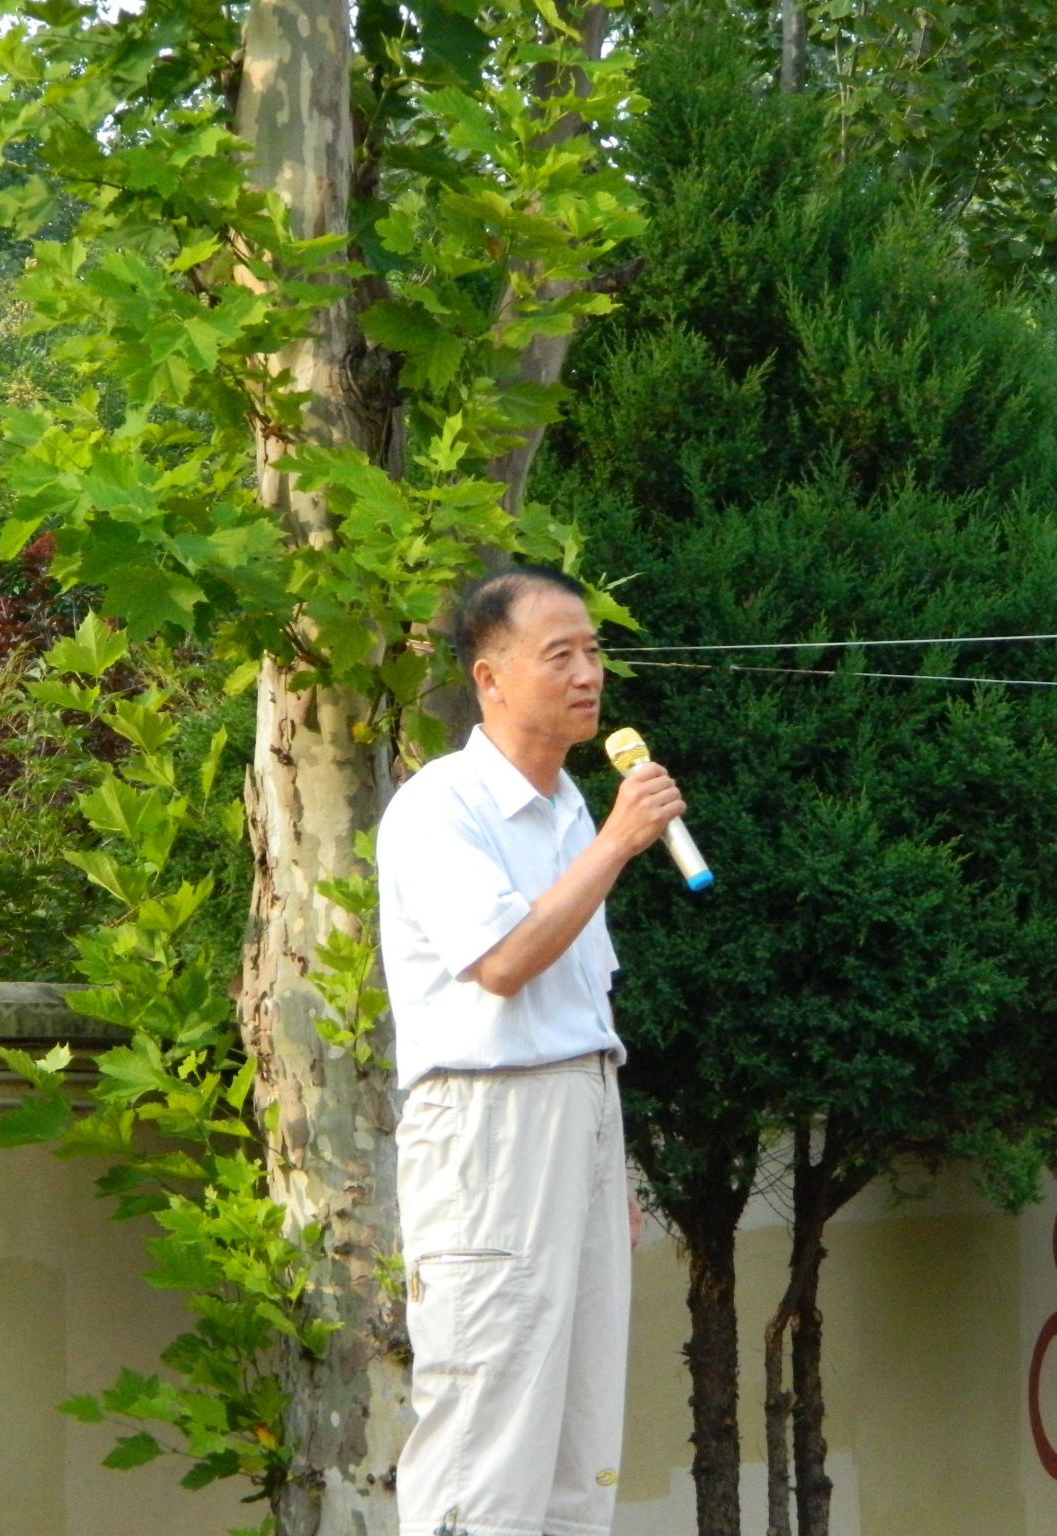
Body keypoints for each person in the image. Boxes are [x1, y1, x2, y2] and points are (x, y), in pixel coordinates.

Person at [377, 565, 686, 1536]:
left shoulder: (569, 809)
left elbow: (580, 1003)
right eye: (560, 655)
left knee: (579, 1447)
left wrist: (607, 1165)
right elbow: (506, 963)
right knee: (487, 1436)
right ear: (490, 677)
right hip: (487, 1126)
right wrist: (618, 844)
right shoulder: (439, 805)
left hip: (582, 1115)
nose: (588, 675)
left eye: (593, 652)